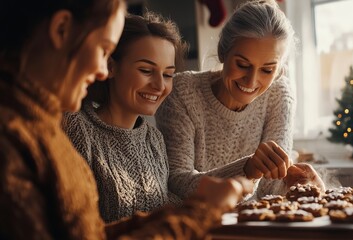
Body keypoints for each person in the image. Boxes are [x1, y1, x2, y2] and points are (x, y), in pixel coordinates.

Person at [0, 1, 253, 239]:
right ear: (62, 29)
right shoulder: (27, 136)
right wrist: (199, 213)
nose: (101, 69)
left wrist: (209, 204)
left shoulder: (43, 127)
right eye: (103, 49)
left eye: (167, 74)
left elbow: (91, 232)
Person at [156, 0, 326, 200]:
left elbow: (269, 189)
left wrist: (295, 185)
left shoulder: (279, 94)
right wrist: (247, 169)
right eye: (242, 64)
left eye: (267, 70)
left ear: (280, 70)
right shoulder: (183, 92)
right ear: (223, 53)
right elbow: (177, 182)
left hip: (253, 223)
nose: (252, 80)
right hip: (196, 222)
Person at [62, 13, 186, 223]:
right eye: (146, 70)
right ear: (110, 67)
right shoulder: (75, 128)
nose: (159, 85)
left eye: (167, 75)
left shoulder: (153, 138)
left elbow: (161, 204)